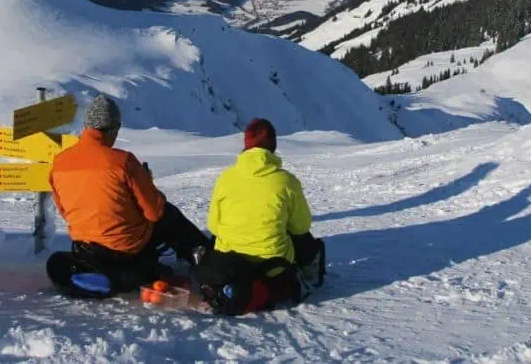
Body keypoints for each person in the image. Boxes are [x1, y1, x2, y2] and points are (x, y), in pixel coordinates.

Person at [47, 93, 209, 297]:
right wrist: (148, 185)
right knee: (169, 215)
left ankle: (102, 275)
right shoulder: (123, 162)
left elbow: (64, 211)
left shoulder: (59, 163)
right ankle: (204, 259)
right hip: (125, 247)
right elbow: (154, 212)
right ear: (112, 128)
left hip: (85, 246)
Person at [194, 118, 325, 315]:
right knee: (304, 239)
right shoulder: (286, 181)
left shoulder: (225, 178)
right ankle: (302, 277)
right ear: (273, 145)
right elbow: (301, 227)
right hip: (272, 268)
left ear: (246, 146)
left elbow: (214, 226)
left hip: (230, 265)